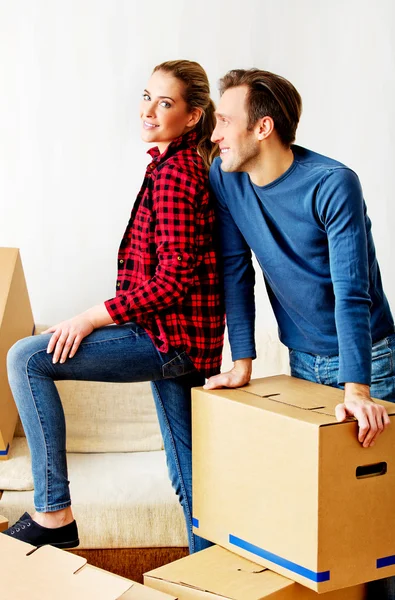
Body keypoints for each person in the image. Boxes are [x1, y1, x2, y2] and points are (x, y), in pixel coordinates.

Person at [3, 60, 224, 554]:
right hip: (184, 343)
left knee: (25, 357)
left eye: (165, 102)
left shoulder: (175, 177)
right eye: (147, 96)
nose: (149, 109)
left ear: (193, 116)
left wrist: (91, 316)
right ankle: (210, 576)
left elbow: (172, 279)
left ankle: (54, 513)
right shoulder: (176, 166)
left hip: (167, 339)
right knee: (189, 471)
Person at [205, 68, 394, 599]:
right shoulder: (226, 177)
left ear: (262, 128)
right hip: (301, 361)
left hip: (369, 361)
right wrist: (242, 360)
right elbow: (235, 269)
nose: (214, 133)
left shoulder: (333, 183)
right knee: (321, 513)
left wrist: (358, 390)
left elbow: (352, 291)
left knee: (378, 518)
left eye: (224, 120)